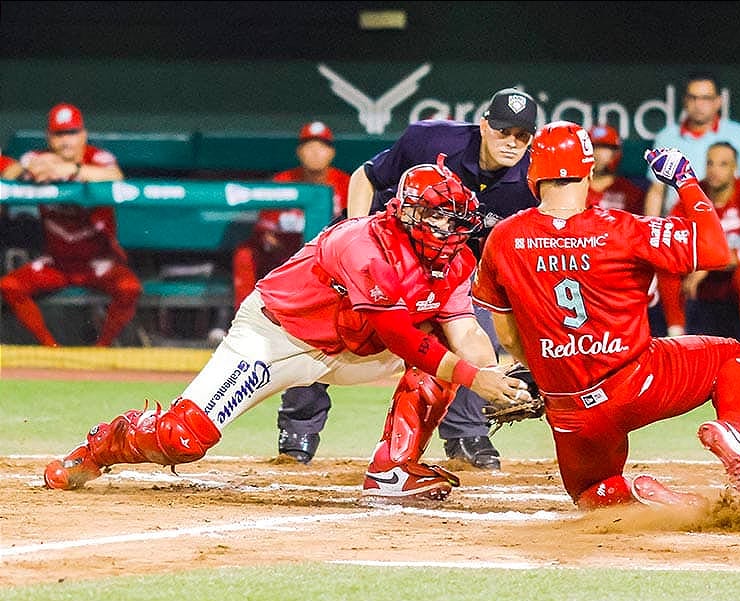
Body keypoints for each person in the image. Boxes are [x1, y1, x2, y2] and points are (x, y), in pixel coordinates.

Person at [43, 155, 532, 502]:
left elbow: (466, 333)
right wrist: (474, 377)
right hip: (277, 337)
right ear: (409, 214)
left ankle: (393, 470)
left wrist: (501, 379)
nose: (450, 231)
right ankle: (103, 444)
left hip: (350, 349)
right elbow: (398, 336)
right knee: (183, 439)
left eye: (456, 221)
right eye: (440, 219)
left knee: (448, 350)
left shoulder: (455, 259)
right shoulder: (362, 243)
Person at [472, 120, 740, 510]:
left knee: (591, 492)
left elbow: (507, 337)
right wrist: (686, 182)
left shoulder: (503, 238)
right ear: (588, 170)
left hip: (569, 408)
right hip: (633, 383)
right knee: (732, 357)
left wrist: (546, 378)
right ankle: (732, 430)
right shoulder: (622, 228)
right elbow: (712, 251)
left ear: (533, 172)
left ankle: (647, 499)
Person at [277, 87, 539, 470]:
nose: (511, 142)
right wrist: (357, 236)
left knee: (473, 328)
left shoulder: (531, 182)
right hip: (375, 251)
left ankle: (467, 434)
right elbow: (365, 177)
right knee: (317, 326)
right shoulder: (431, 139)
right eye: (503, 131)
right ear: (483, 125)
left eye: (522, 135)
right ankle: (298, 430)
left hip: (446, 267)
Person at [0, 103, 141, 347]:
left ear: (83, 135)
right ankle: (50, 349)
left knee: (129, 288)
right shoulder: (38, 159)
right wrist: (29, 169)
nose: (66, 141)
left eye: (72, 133)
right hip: (58, 262)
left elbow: (115, 176)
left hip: (99, 261)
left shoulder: (96, 158)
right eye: (59, 134)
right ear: (49, 138)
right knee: (9, 285)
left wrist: (73, 170)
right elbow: (11, 171)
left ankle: (101, 350)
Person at [656, 142, 740, 371]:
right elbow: (670, 241)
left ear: (735, 168)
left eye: (723, 164)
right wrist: (696, 264)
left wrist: (709, 265)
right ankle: (675, 342)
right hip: (701, 281)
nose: (714, 170)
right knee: (666, 265)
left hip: (738, 282)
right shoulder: (694, 193)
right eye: (710, 163)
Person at [230, 121, 351, 312]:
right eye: (309, 146)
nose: (315, 152)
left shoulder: (345, 183)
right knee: (245, 254)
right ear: (299, 151)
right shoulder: (282, 181)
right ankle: (244, 318)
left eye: (322, 146)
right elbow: (264, 230)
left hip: (327, 253)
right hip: (285, 249)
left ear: (332, 153)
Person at [643, 71, 740, 218]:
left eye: (706, 98)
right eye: (693, 98)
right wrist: (652, 231)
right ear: (685, 100)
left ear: (718, 101)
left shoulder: (739, 134)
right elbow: (657, 191)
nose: (698, 104)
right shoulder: (666, 136)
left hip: (725, 224)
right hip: (679, 223)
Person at [586, 124, 644, 214]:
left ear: (616, 153)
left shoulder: (630, 192)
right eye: (593, 147)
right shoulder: (572, 189)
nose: (597, 154)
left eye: (604, 148)